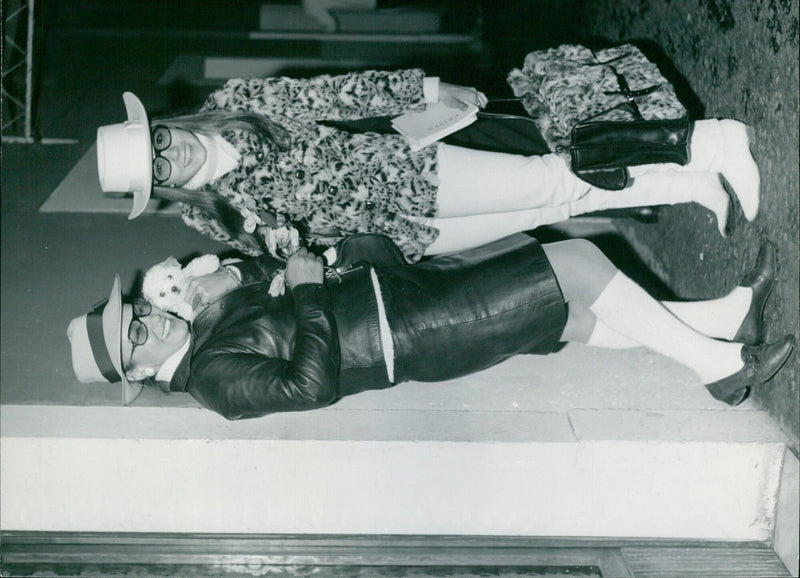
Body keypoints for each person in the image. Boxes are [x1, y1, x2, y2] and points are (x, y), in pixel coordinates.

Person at [67, 235, 793, 419]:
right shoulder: (214, 383)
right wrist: (312, 292)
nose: (151, 320)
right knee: (571, 262)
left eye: (138, 312)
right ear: (135, 376)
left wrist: (245, 271)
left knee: (567, 315)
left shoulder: (203, 328)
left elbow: (278, 284)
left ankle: (719, 322)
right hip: (410, 334)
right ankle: (720, 370)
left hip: (400, 301)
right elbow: (310, 385)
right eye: (137, 336)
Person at [95, 68, 760, 263]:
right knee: (546, 210)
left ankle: (711, 141)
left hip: (409, 170)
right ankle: (690, 186)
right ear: (159, 189)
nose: (170, 156)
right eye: (158, 168)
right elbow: (281, 251)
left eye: (160, 141)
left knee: (549, 175)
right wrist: (290, 247)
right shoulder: (206, 215)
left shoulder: (237, 102)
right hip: (398, 236)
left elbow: (339, 94)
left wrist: (430, 91)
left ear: (165, 126)